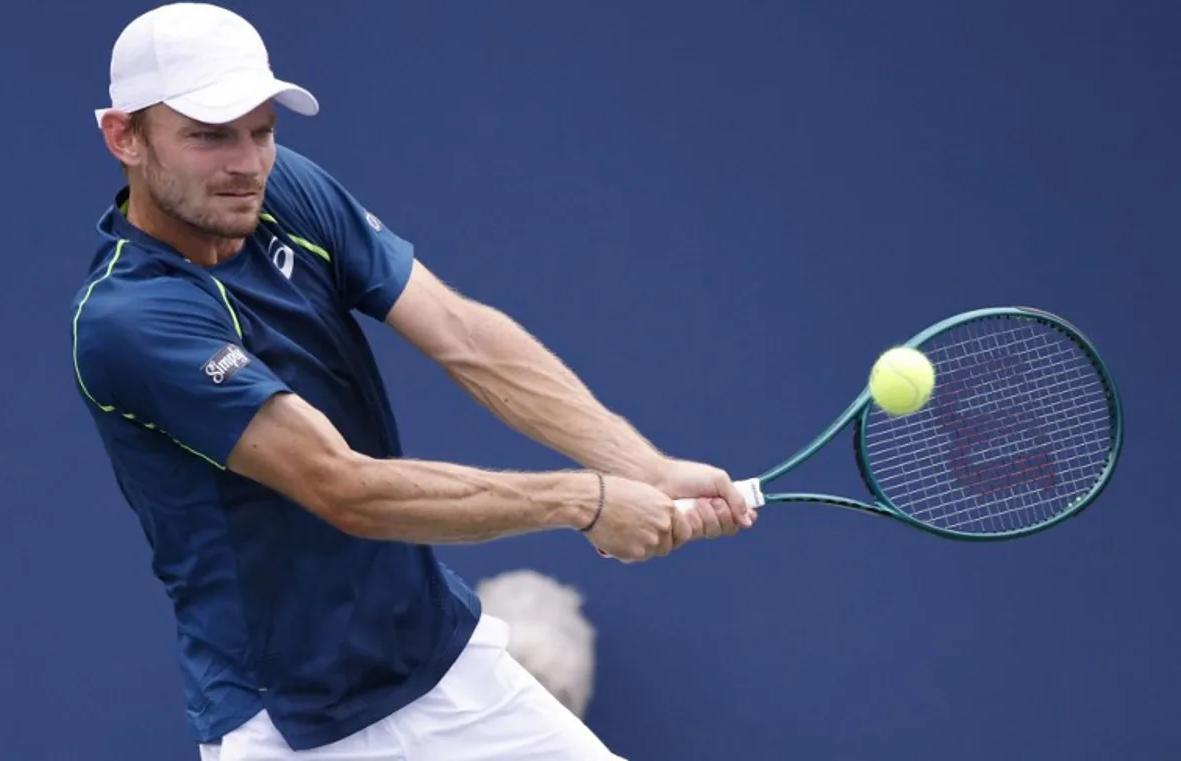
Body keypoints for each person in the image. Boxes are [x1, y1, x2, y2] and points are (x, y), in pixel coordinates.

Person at [72, 3, 757, 760]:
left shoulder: (283, 191)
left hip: (449, 668)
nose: (247, 162)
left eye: (261, 130)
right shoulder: (129, 321)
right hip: (288, 726)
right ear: (123, 136)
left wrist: (641, 466)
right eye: (208, 135)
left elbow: (466, 338)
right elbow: (345, 488)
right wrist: (585, 501)